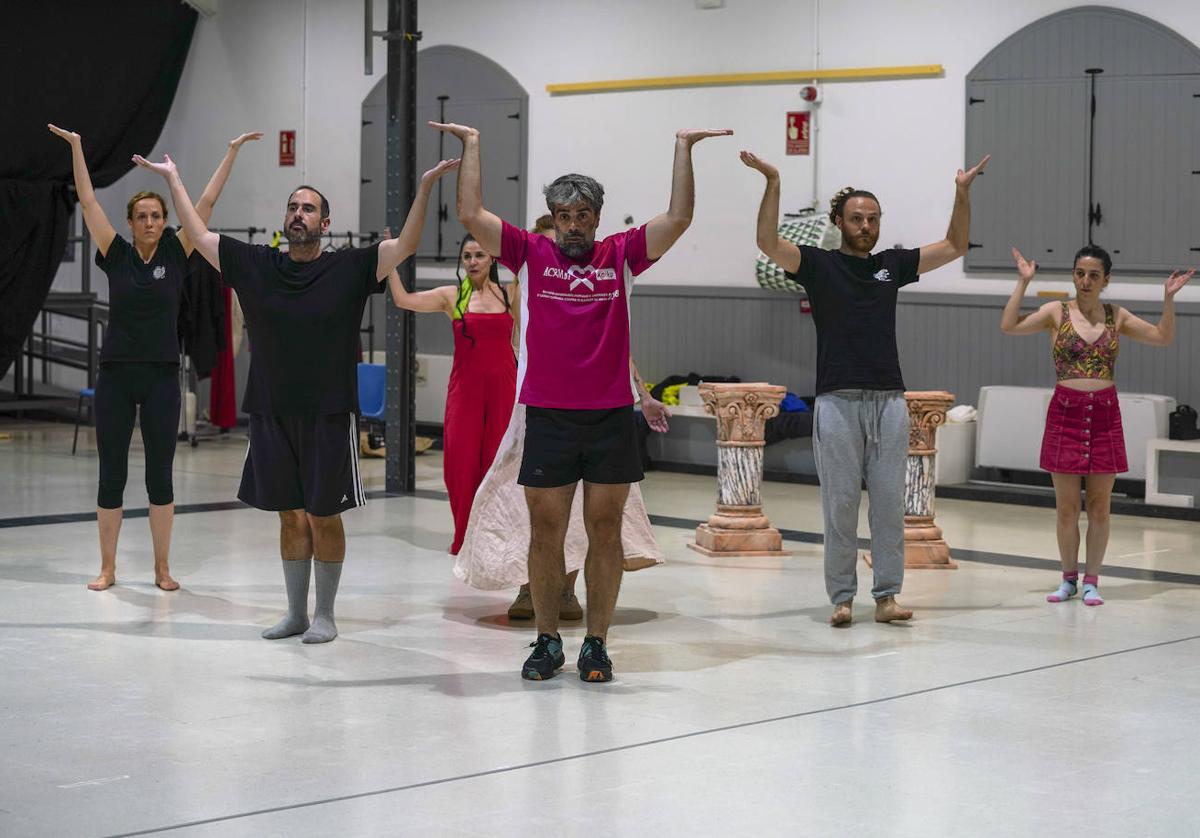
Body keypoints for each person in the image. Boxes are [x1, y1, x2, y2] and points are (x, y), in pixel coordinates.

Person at [434, 120, 731, 681]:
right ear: (553, 216)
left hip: (610, 417)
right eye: (563, 216)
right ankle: (547, 640)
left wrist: (682, 149)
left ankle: (596, 641)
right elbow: (473, 214)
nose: (572, 226)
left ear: (596, 217)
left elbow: (679, 219)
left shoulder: (621, 255)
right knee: (545, 532)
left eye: (582, 216)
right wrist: (474, 145)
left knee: (604, 529)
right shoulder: (529, 253)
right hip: (548, 416)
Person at [133, 149, 459, 643]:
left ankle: (325, 613)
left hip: (328, 411)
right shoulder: (255, 263)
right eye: (292, 207)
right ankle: (295, 612)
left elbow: (408, 243)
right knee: (289, 513)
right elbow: (197, 237)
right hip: (270, 410)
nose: (298, 214)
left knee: (322, 513)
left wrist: (428, 185)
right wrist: (175, 177)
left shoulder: (350, 268)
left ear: (325, 222)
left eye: (308, 209)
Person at [742, 149, 989, 627]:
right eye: (857, 218)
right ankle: (841, 597)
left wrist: (961, 193)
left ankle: (887, 596)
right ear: (839, 221)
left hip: (888, 400)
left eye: (873, 219)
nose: (866, 226)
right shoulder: (817, 265)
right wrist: (773, 181)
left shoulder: (892, 265)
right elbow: (767, 241)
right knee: (840, 504)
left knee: (889, 504)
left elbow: (956, 245)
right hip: (836, 401)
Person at [48, 124, 261, 592]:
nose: (149, 222)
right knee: (112, 474)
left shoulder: (175, 250)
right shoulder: (116, 253)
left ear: (164, 220)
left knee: (160, 475)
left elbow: (203, 205)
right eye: (141, 216)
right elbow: (87, 202)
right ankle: (108, 568)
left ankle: (162, 568)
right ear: (129, 222)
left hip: (163, 377)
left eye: (156, 215)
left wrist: (230, 151)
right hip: (117, 378)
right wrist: (79, 148)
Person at [453, 216, 670, 621]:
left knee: (588, 514)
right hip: (536, 406)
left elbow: (616, 348)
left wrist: (643, 392)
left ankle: (569, 590)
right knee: (527, 506)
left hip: (595, 409)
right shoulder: (522, 287)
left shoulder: (592, 279)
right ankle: (528, 589)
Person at [1002, 246, 1194, 605]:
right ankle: (1067, 578)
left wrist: (1168, 299)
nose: (1085, 281)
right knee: (1067, 508)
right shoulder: (1055, 312)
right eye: (1079, 273)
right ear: (1073, 276)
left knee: (1101, 507)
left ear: (1106, 280)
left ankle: (1092, 579)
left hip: (1105, 415)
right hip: (1065, 414)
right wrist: (1023, 282)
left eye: (1093, 275)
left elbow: (1163, 337)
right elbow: (1009, 325)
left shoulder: (1115, 316)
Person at [384, 231, 518, 555]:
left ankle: (494, 534)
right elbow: (403, 299)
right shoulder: (452, 296)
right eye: (467, 256)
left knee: (498, 464)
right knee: (460, 463)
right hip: (466, 390)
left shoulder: (510, 292)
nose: (472, 262)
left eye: (479, 255)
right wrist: (389, 261)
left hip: (503, 387)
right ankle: (465, 534)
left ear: (492, 259)